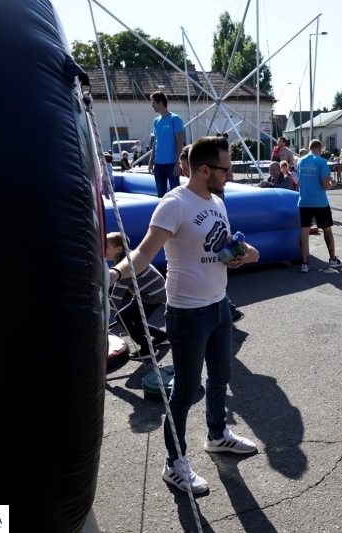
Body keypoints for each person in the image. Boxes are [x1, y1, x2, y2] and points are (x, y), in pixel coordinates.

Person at [109, 136, 259, 494]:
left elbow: (222, 245)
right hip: (188, 313)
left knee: (221, 377)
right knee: (186, 391)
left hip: (219, 304)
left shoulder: (217, 201)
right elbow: (144, 254)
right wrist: (114, 273)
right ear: (204, 169)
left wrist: (241, 254)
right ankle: (174, 464)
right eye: (225, 169)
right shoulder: (173, 204)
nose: (230, 175)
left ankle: (217, 435)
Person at [180, 144, 244, 323]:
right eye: (184, 169)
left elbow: (224, 235)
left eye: (187, 168)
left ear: (201, 169)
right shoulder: (176, 202)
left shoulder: (216, 198)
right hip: (191, 304)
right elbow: (146, 251)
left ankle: (227, 306)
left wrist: (246, 252)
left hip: (216, 300)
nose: (185, 173)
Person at [106, 232, 168, 358]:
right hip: (154, 292)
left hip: (151, 294)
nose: (103, 250)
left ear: (119, 249)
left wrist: (106, 317)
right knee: (136, 320)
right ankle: (161, 335)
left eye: (106, 247)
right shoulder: (128, 257)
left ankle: (147, 348)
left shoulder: (125, 265)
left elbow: (117, 295)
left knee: (122, 317)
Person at [297, 139, 342, 273]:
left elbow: (299, 180)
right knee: (327, 229)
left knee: (304, 230)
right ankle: (332, 259)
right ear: (319, 149)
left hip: (304, 201)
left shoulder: (300, 161)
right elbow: (326, 185)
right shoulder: (321, 161)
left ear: (309, 148)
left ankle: (304, 263)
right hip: (319, 201)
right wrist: (333, 183)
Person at [147, 91, 184, 198]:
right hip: (158, 164)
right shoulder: (156, 121)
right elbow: (155, 142)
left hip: (172, 164)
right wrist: (151, 161)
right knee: (160, 195)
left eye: (154, 103)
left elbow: (180, 142)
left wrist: (178, 163)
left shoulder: (175, 119)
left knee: (176, 195)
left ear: (161, 103)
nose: (152, 105)